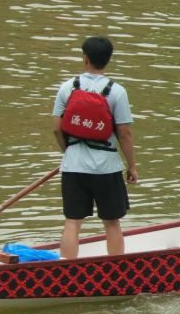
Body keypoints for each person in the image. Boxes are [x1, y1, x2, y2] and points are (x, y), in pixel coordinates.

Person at [52, 36, 138, 259]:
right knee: (111, 221)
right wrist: (132, 166)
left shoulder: (67, 87)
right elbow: (124, 133)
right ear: (108, 60)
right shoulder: (117, 91)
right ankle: (116, 269)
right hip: (107, 167)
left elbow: (56, 128)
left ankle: (66, 270)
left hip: (73, 167)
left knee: (72, 221)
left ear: (85, 58)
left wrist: (68, 152)